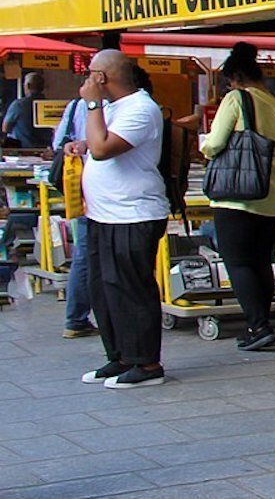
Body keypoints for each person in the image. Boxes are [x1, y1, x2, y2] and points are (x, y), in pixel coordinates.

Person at [68, 50, 170, 388]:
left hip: (133, 214)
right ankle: (121, 356)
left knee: (131, 289)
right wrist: (83, 141)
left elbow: (103, 148)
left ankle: (147, 363)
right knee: (104, 289)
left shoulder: (141, 108)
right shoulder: (114, 108)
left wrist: (93, 106)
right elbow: (95, 143)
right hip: (102, 214)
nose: (84, 82)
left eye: (90, 75)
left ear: (101, 78)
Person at [198, 43, 275, 351]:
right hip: (271, 197)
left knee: (238, 261)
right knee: (259, 261)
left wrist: (205, 147)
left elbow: (214, 143)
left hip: (236, 196)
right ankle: (261, 322)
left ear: (237, 78)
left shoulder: (236, 99)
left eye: (229, 81)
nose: (229, 86)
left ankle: (258, 325)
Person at [47, 95, 95, 339]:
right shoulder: (102, 104)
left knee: (84, 252)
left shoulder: (75, 105)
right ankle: (76, 319)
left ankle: (76, 318)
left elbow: (58, 142)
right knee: (86, 253)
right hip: (93, 188)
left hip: (79, 186)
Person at [4, 71, 48, 148]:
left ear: (28, 85)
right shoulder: (49, 104)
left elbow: (5, 128)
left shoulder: (19, 104)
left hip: (22, 149)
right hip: (44, 149)